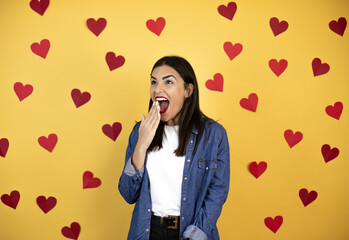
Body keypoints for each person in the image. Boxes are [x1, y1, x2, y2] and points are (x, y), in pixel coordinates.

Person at [118, 56, 230, 240]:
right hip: (146, 232)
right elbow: (128, 194)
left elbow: (217, 192)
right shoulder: (140, 131)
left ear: (188, 90)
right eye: (153, 82)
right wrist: (141, 145)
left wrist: (195, 235)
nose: (157, 89)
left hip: (192, 231)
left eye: (168, 82)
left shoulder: (214, 135)